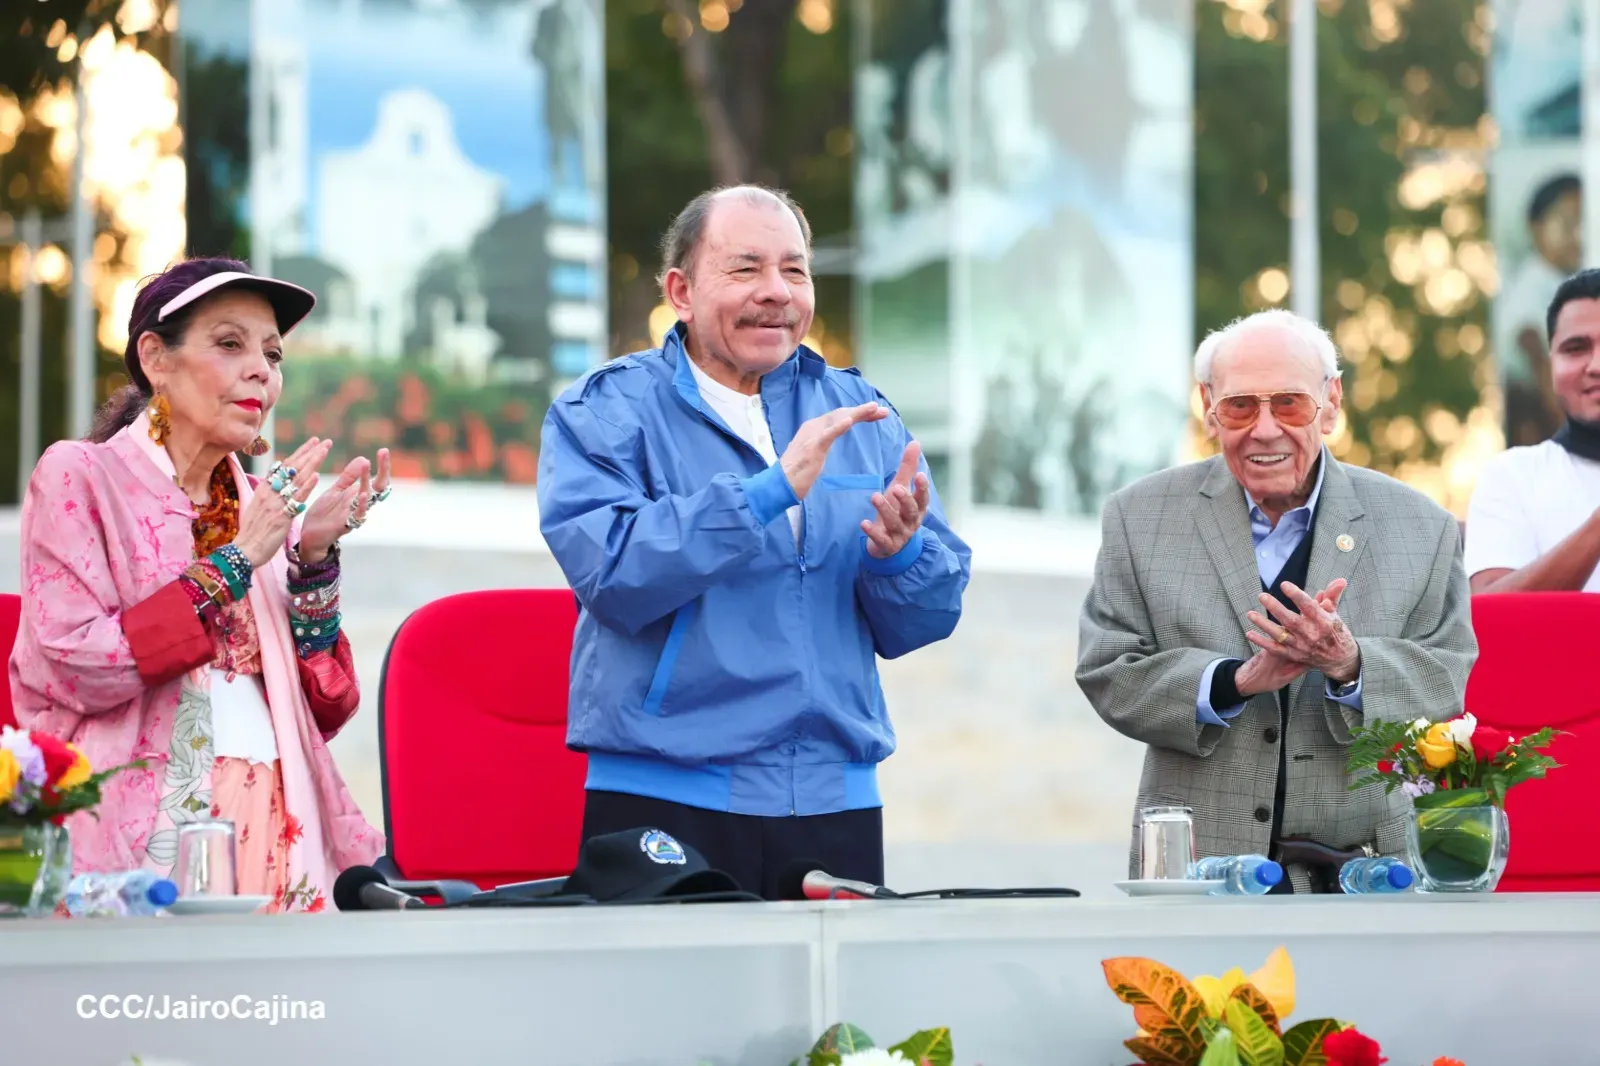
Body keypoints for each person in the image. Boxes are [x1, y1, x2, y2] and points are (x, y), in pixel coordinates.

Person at [538, 185, 971, 900]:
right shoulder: (604, 410)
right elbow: (614, 574)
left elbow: (926, 620)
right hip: (667, 796)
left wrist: (904, 556)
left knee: (836, 1016)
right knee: (665, 1015)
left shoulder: (863, 416)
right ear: (680, 290)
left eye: (794, 270)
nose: (776, 292)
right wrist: (771, 491)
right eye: (745, 269)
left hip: (837, 802)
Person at [8, 257, 388, 913]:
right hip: (136, 828)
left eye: (272, 354)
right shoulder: (81, 476)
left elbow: (325, 707)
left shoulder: (258, 509)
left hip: (274, 815)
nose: (261, 371)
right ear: (156, 358)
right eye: (230, 343)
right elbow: (77, 661)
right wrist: (237, 562)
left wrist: (314, 561)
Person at [1075, 309, 1477, 892]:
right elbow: (1107, 669)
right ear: (1209, 408)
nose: (1265, 429)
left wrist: (1349, 664)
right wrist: (1232, 681)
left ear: (1331, 403)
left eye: (1289, 404)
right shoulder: (1139, 517)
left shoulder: (1422, 526)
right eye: (1241, 406)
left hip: (1365, 869)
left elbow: (1448, 677)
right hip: (1193, 872)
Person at [1467, 269, 1600, 593]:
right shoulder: (1513, 477)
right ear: (1551, 359)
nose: (1596, 366)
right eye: (1576, 348)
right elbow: (1491, 616)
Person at [1498, 174, 1582, 447]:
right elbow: (1538, 358)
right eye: (1568, 223)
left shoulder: (1572, 281)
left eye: (1583, 223)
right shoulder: (1529, 289)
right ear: (1536, 227)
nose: (1577, 235)